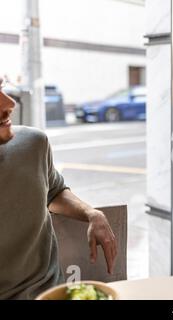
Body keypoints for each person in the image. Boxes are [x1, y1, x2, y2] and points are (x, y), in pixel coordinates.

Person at [0, 77, 117, 299]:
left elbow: (53, 191)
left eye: (1, 88)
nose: (9, 104)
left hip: (51, 292)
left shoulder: (33, 144)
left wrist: (92, 214)